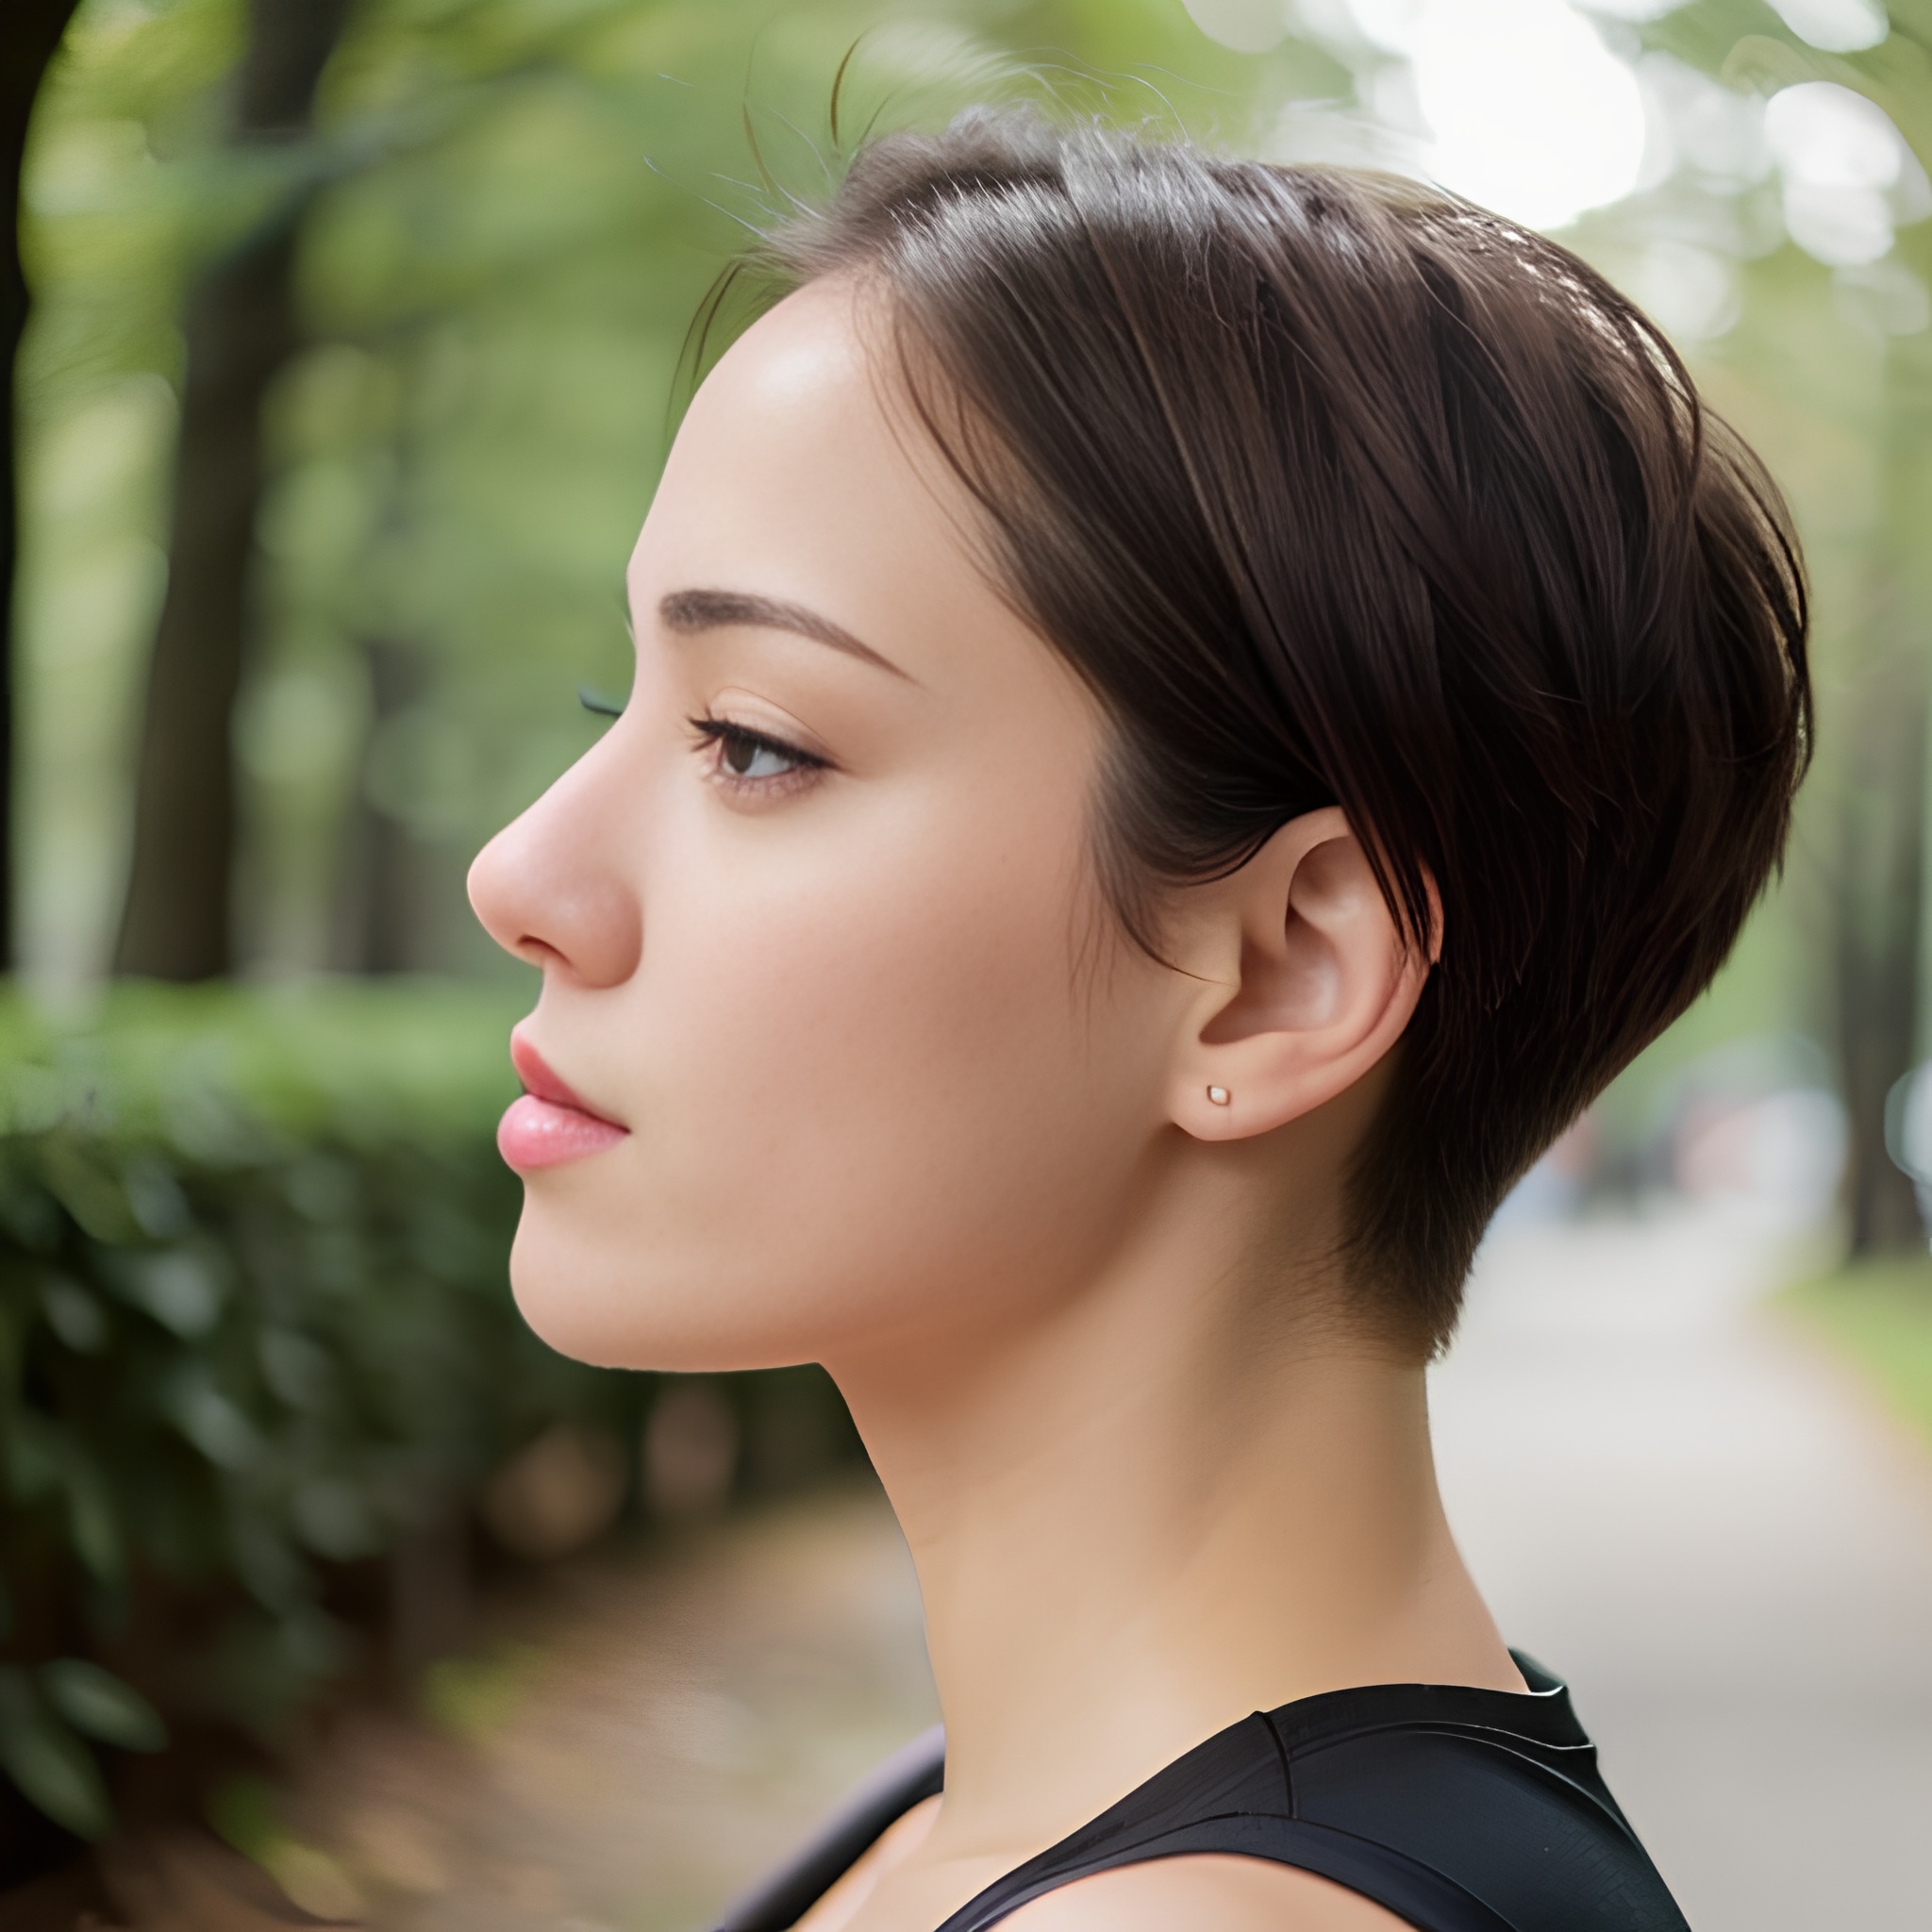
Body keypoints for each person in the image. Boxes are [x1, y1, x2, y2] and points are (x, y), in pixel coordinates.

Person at [467, 110, 1809, 1932]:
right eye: (618, 698)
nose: (521, 872)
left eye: (757, 742)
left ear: (1277, 973)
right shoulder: (1003, 1817)